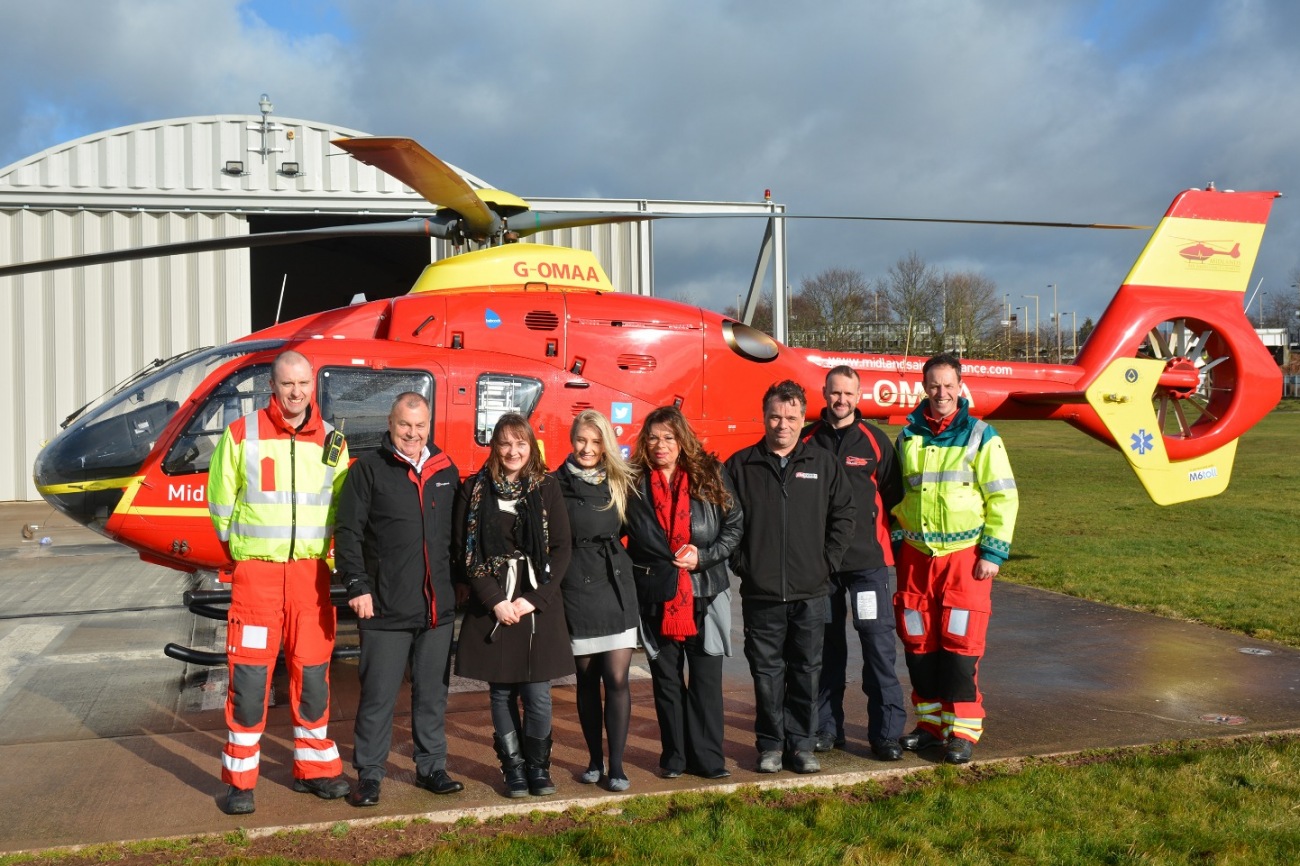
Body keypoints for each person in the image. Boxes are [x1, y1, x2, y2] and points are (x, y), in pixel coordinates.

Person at [206, 349, 350, 816]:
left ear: (314, 385)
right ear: (273, 385)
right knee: (248, 683)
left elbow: (341, 510)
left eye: (303, 383)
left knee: (313, 679)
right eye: (287, 384)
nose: (296, 392)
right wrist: (244, 554)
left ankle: (313, 770)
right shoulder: (240, 434)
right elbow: (221, 504)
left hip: (311, 579)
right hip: (258, 579)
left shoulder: (333, 440)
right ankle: (240, 781)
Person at [334, 393, 463, 808]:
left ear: (430, 425)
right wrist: (357, 586)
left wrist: (458, 589)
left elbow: (457, 540)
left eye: (420, 425)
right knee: (377, 697)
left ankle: (431, 768)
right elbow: (348, 533)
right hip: (384, 608)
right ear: (390, 424)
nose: (412, 433)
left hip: (435, 610)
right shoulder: (368, 470)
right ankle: (369, 775)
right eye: (405, 425)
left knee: (432, 696)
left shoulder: (446, 471)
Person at [891, 353, 1018, 765]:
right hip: (916, 557)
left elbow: (1003, 495)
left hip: (964, 559)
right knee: (918, 644)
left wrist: (993, 552)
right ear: (923, 387)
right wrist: (897, 539)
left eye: (949, 386)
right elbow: (896, 493)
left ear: (959, 387)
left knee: (961, 646)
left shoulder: (982, 434)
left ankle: (962, 731)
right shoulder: (908, 435)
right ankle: (929, 726)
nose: (941, 393)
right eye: (934, 386)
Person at [726, 380, 855, 775]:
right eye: (776, 416)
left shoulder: (822, 463)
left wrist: (826, 564)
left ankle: (801, 745)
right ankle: (769, 744)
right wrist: (742, 562)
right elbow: (724, 522)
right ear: (764, 417)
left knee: (806, 670)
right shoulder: (739, 465)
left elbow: (845, 517)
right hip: (761, 592)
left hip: (811, 591)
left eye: (792, 417)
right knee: (766, 673)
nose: (783, 424)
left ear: (803, 419)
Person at [453, 413, 572, 797]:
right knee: (501, 693)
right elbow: (465, 553)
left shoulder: (547, 488)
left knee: (537, 693)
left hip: (536, 604)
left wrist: (533, 600)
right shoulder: (473, 489)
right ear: (494, 447)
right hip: (495, 604)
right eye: (505, 443)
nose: (513, 451)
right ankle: (514, 770)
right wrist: (494, 601)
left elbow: (561, 550)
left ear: (530, 446)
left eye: (520, 443)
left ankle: (539, 768)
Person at [626, 406, 744, 781]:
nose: (660, 445)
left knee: (707, 680)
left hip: (706, 591)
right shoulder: (632, 482)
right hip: (656, 594)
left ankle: (708, 759)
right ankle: (674, 757)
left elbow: (734, 525)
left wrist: (704, 556)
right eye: (654, 437)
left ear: (682, 440)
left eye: (669, 437)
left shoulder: (709, 473)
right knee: (667, 681)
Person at [802, 365, 907, 761]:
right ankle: (827, 729)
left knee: (878, 648)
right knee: (825, 650)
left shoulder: (875, 441)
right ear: (825, 393)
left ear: (858, 396)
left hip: (867, 566)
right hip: (821, 567)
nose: (841, 400)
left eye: (847, 393)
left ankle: (886, 734)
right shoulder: (808, 440)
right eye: (834, 393)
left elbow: (894, 496)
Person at [554, 409, 640, 792]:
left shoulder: (622, 481)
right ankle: (594, 758)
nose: (587, 449)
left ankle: (617, 766)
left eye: (595, 441)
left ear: (605, 444)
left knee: (617, 678)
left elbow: (641, 530)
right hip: (576, 586)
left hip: (615, 585)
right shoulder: (555, 483)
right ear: (572, 441)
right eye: (581, 441)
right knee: (587, 680)